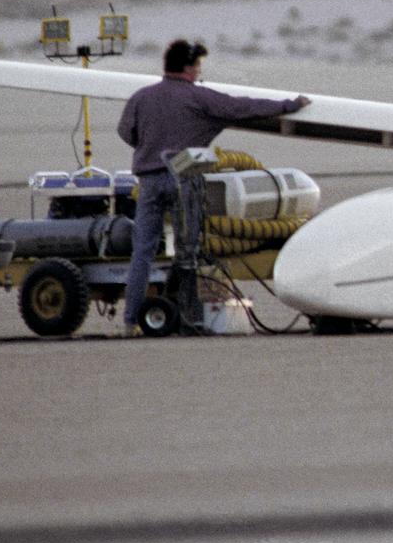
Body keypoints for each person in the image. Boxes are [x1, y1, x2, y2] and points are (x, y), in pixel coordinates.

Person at [117, 40, 310, 334]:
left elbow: (125, 132)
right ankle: (189, 320)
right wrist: (290, 105)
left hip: (149, 181)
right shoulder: (199, 98)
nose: (198, 73)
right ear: (188, 67)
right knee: (188, 251)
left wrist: (150, 148)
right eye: (197, 67)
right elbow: (243, 107)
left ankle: (131, 322)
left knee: (142, 252)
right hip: (184, 177)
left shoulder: (141, 97)